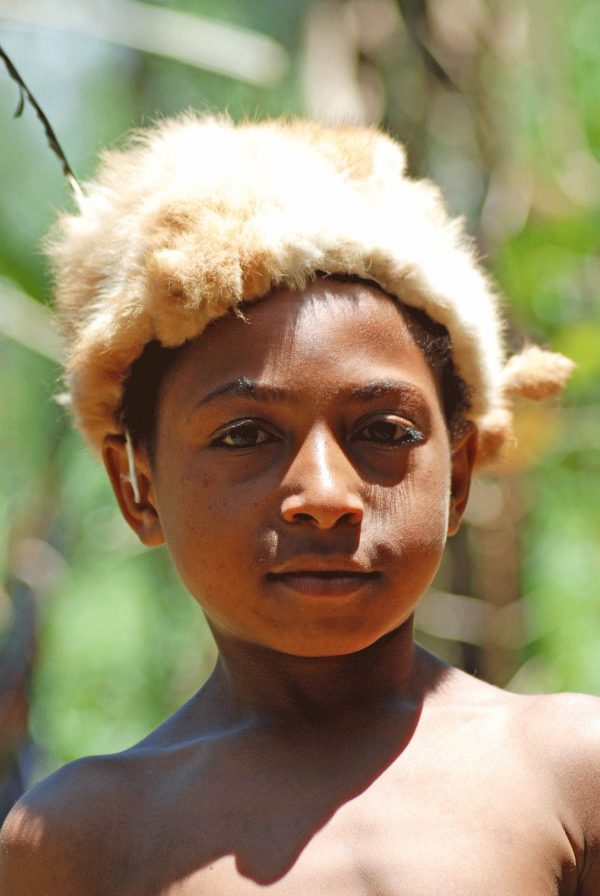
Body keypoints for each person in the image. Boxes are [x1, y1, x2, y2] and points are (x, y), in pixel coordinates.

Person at [0, 115, 597, 895]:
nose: (324, 495)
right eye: (246, 435)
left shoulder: (568, 772)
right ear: (136, 487)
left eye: (383, 430)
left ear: (457, 476)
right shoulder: (82, 837)